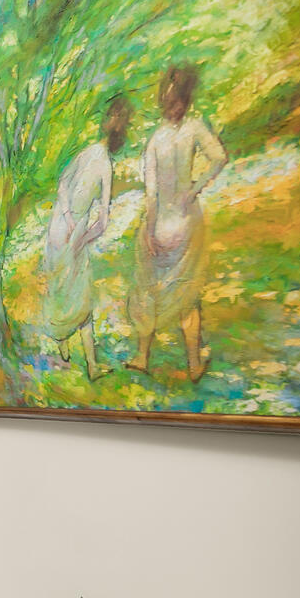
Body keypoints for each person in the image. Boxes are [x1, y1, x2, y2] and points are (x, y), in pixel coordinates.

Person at [127, 65, 227, 381]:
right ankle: (162, 359)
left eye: (178, 101)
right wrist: (151, 229)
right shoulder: (177, 132)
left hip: (175, 223)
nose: (175, 107)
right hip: (172, 221)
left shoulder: (163, 137)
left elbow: (219, 158)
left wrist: (193, 191)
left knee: (171, 291)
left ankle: (169, 360)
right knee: (165, 291)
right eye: (172, 102)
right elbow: (218, 158)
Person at [45, 95, 131, 379]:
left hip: (64, 228)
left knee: (68, 291)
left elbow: (65, 185)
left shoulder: (94, 156)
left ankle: (75, 356)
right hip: (67, 229)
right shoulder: (99, 160)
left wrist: (75, 230)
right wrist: (75, 226)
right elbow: (100, 221)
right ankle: (82, 360)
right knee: (72, 293)